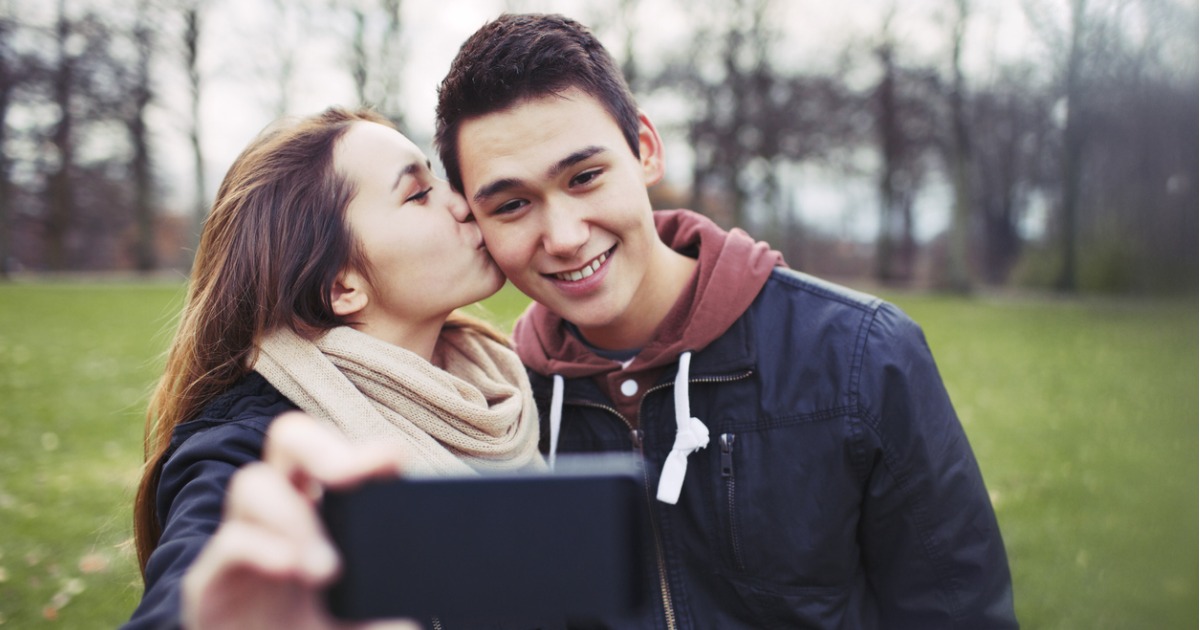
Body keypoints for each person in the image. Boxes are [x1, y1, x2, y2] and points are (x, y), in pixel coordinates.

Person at [431, 12, 1019, 629]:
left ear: (647, 150)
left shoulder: (862, 357)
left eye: (585, 177)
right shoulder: (495, 411)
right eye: (513, 204)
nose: (565, 236)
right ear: (474, 220)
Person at [124, 107, 545, 629]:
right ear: (342, 287)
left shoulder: (507, 391)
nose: (463, 202)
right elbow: (189, 592)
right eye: (417, 194)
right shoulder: (256, 454)